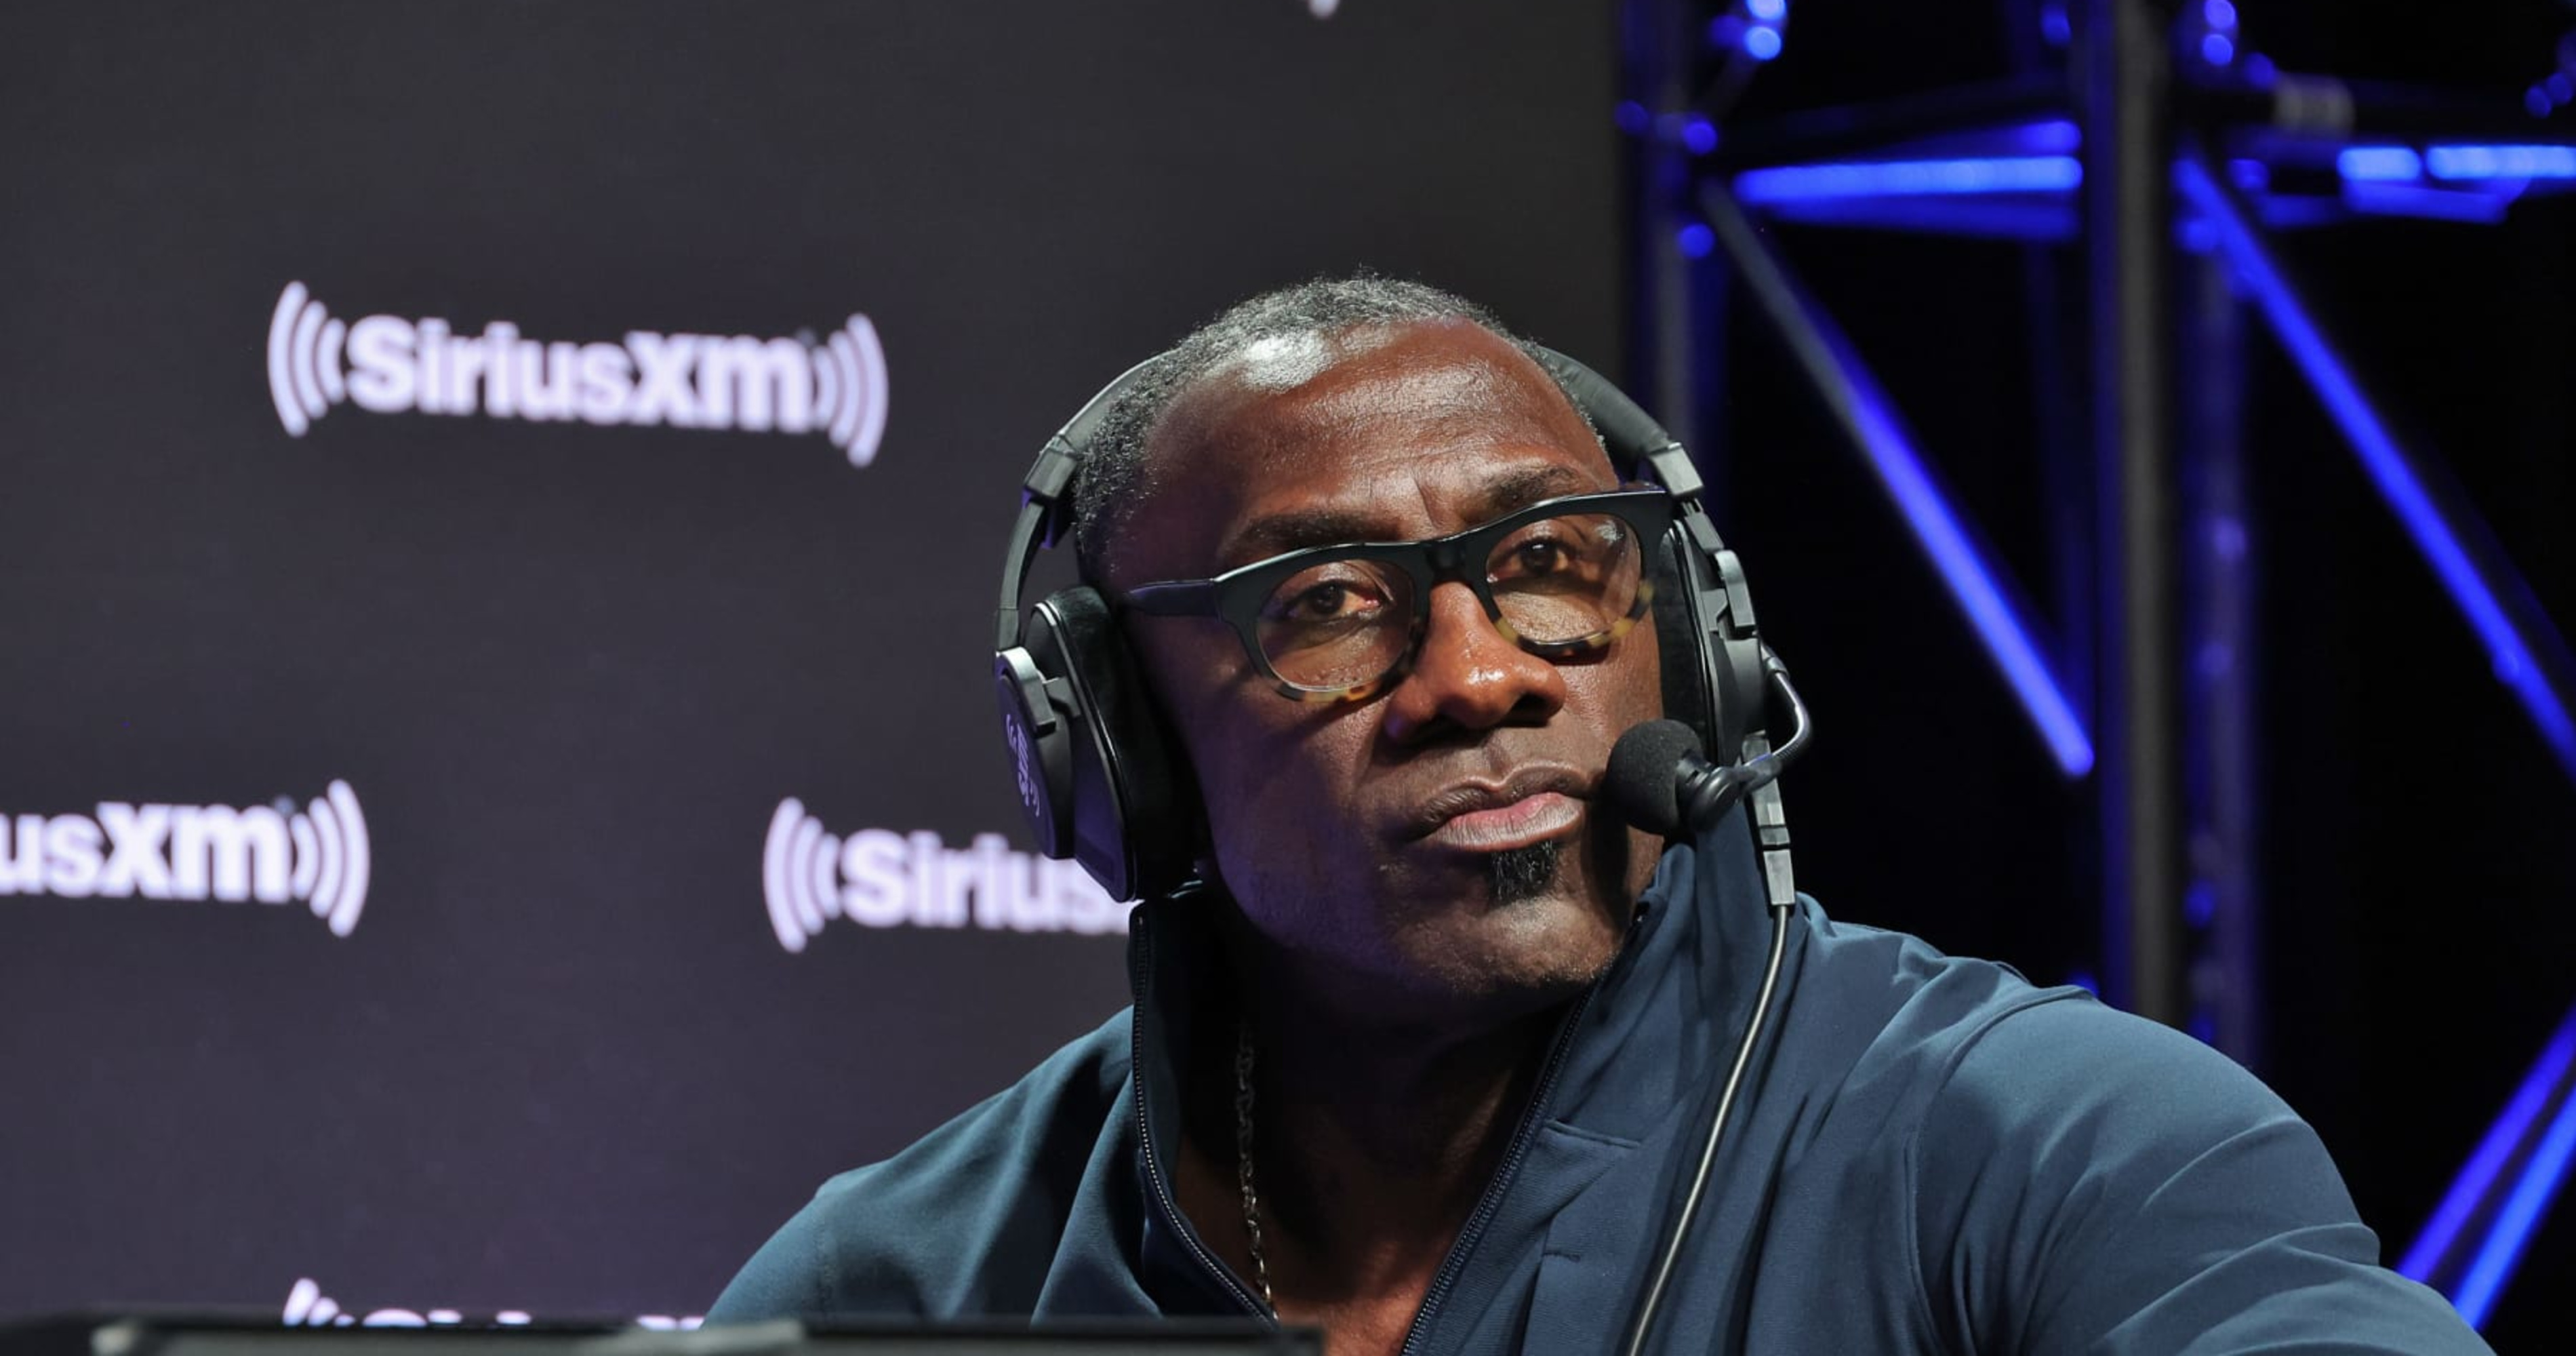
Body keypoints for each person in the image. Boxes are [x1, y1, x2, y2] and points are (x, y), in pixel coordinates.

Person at [708, 278, 2490, 1354]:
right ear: (1116, 744)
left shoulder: (2050, 1147)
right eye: (1326, 601)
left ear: (1685, 653)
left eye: (1555, 568)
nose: (1481, 678)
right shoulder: (903, 1288)